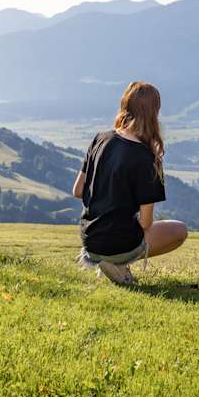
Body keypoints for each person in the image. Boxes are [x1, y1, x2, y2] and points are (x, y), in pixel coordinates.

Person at [73, 81, 188, 284]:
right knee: (180, 231)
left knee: (117, 234)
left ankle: (107, 259)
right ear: (154, 113)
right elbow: (145, 223)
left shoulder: (99, 139)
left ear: (125, 105)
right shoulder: (146, 157)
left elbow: (78, 190)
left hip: (89, 238)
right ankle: (116, 262)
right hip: (118, 242)